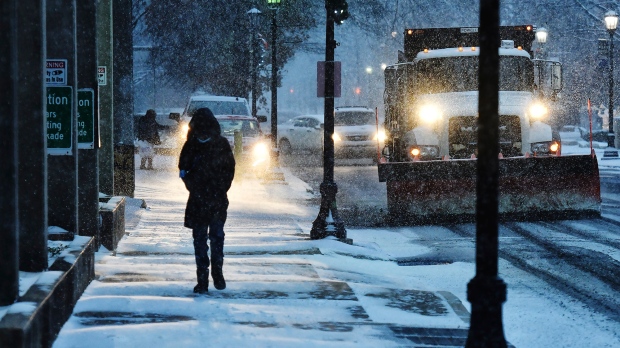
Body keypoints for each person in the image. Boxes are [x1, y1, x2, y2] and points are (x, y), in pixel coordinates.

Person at [178, 108, 235, 294]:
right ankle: (217, 271)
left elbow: (183, 170)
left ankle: (202, 279)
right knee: (217, 236)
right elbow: (230, 171)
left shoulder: (190, 145)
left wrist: (194, 187)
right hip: (217, 199)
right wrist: (220, 188)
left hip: (197, 201)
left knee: (200, 239)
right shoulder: (222, 144)